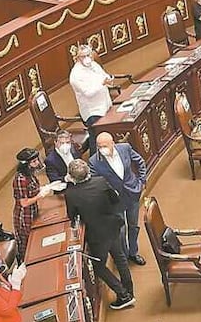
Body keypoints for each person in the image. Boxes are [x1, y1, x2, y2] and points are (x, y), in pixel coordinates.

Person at [64, 159, 135, 310]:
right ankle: (129, 290)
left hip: (97, 236)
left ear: (71, 177)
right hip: (113, 226)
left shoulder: (71, 194)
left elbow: (72, 216)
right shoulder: (101, 181)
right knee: (120, 258)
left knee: (98, 266)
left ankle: (123, 294)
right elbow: (115, 199)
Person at [89, 132, 148, 265]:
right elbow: (95, 183)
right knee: (120, 230)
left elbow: (140, 162)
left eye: (105, 145)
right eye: (99, 146)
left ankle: (133, 252)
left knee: (133, 225)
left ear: (112, 143)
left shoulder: (125, 148)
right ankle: (123, 255)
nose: (102, 149)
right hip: (114, 200)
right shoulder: (94, 161)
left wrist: (142, 181)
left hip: (132, 192)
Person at [68, 43, 113, 155]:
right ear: (77, 58)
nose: (87, 58)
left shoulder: (94, 65)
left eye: (89, 55)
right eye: (83, 56)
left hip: (105, 105)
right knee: (96, 140)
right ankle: (95, 165)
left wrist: (108, 79)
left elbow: (104, 75)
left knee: (106, 135)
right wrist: (102, 83)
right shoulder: (76, 75)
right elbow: (88, 93)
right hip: (93, 112)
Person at [13, 148, 54, 261]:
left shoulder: (30, 174)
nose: (37, 163)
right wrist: (40, 196)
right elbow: (24, 203)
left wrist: (45, 188)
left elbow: (33, 189)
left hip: (33, 209)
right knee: (29, 241)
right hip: (25, 215)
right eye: (34, 162)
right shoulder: (20, 179)